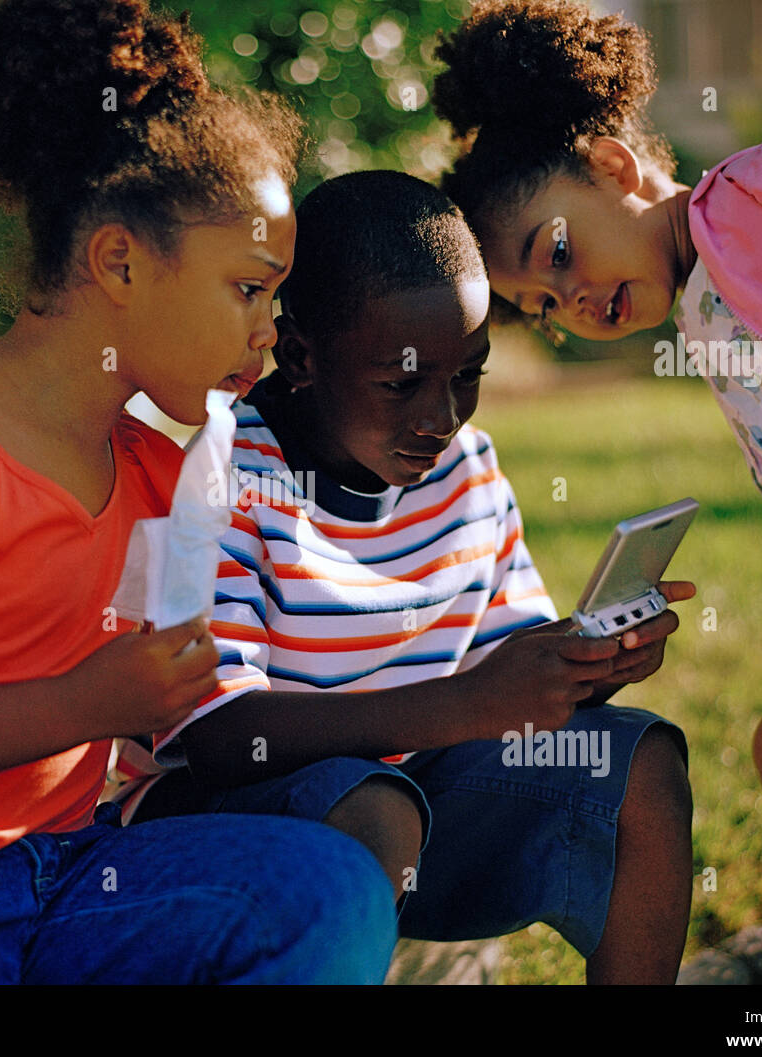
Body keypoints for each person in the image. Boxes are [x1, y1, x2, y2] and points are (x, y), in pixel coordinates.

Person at [0, 0, 400, 985]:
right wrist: (81, 700)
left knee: (326, 892)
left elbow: (153, 713)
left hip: (71, 875)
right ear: (120, 261)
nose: (268, 329)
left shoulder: (153, 470)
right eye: (249, 289)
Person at [431, 0, 762, 982]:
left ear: (612, 166)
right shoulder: (698, 300)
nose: (568, 301)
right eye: (541, 305)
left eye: (556, 254)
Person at [123, 169, 695, 984]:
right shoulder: (227, 479)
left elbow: (498, 666)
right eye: (400, 384)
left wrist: (581, 666)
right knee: (374, 808)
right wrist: (460, 705)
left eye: (468, 374)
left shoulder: (465, 469)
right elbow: (217, 736)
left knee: (638, 764)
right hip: (237, 828)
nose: (442, 415)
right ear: (301, 356)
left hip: (418, 796)